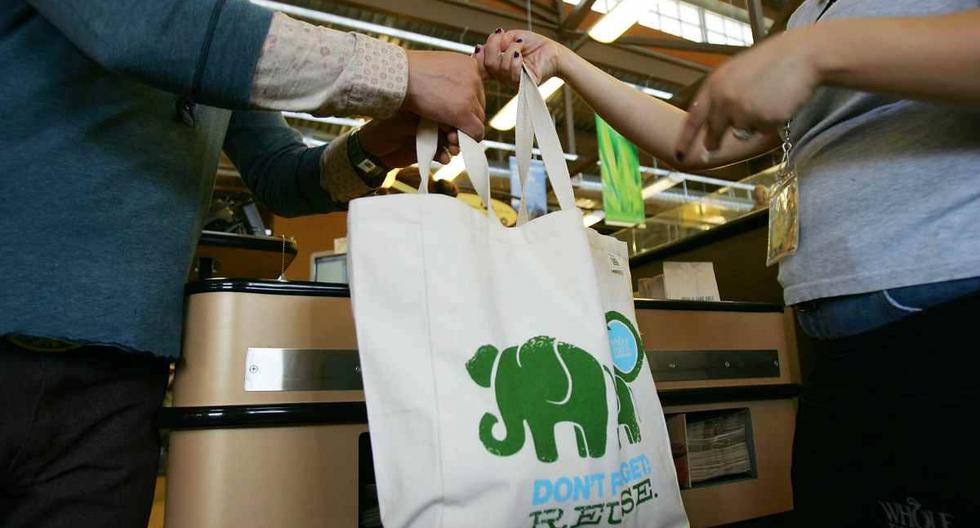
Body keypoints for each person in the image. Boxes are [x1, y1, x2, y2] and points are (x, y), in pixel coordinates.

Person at [479, 1, 980, 525]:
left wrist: (817, 52)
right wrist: (563, 61)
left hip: (952, 311)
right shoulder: (810, 14)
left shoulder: (814, 37)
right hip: (833, 344)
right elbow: (694, 142)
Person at [0, 1, 485, 526]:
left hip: (119, 380)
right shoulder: (177, 25)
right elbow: (139, 28)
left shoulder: (210, 31)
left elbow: (283, 175)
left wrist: (377, 148)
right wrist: (402, 74)